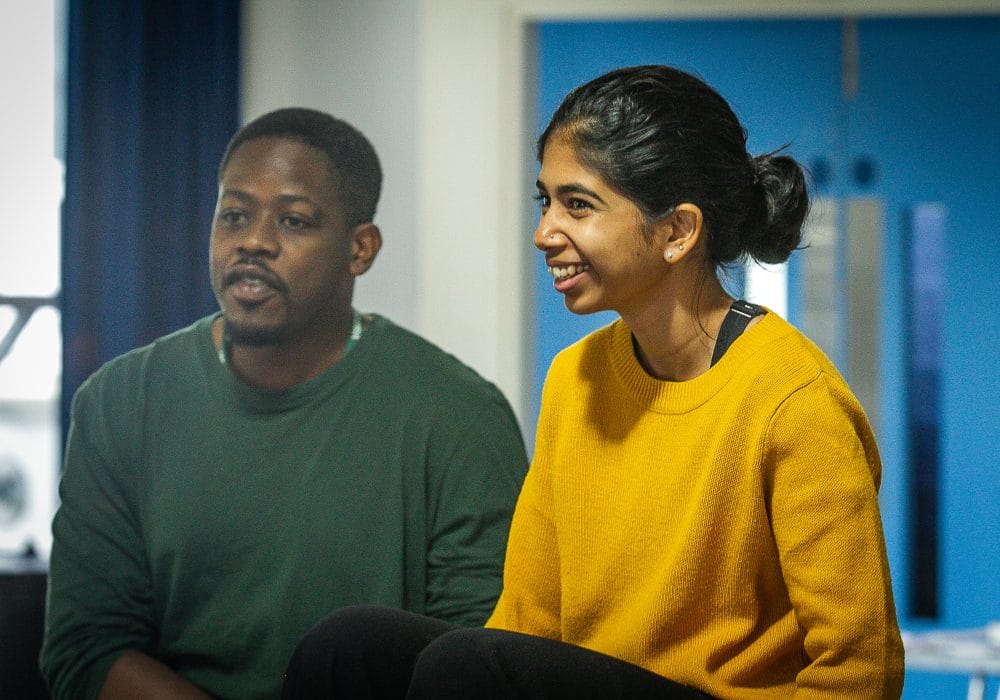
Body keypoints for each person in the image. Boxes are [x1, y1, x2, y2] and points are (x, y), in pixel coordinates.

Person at [279, 65, 905, 699]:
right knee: (348, 647)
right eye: (544, 201)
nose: (544, 232)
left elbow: (860, 674)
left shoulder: (794, 403)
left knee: (465, 666)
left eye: (577, 205)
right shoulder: (574, 377)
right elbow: (527, 621)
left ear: (677, 232)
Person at [39, 108, 529, 699]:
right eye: (235, 216)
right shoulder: (118, 403)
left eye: (294, 221)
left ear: (360, 250)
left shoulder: (460, 418)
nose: (254, 241)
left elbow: (472, 663)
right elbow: (85, 647)